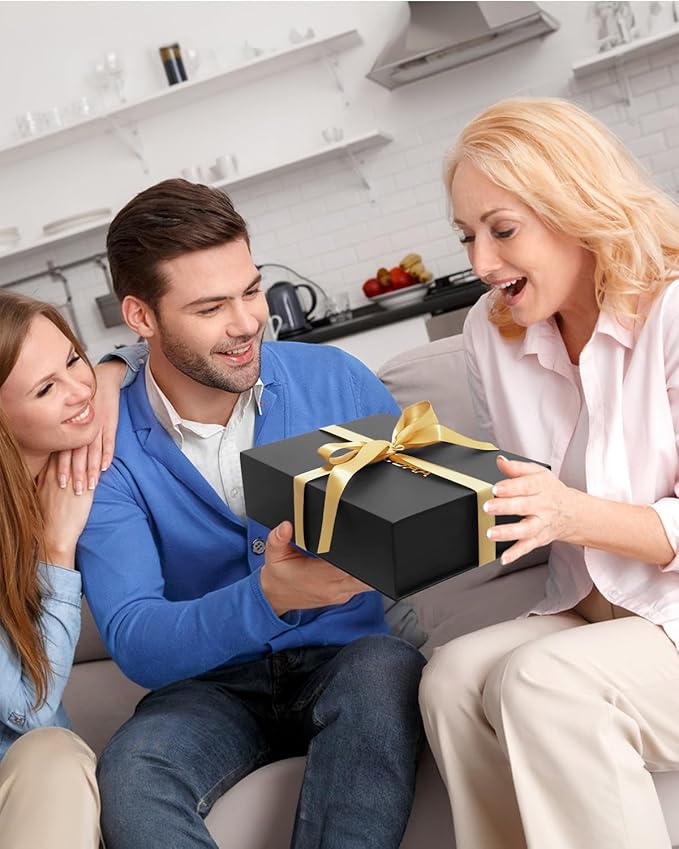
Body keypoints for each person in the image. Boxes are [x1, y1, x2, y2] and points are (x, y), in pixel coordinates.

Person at [76, 178, 426, 849]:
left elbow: (423, 517)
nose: (245, 323)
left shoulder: (335, 380)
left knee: (386, 671)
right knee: (132, 772)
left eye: (250, 290)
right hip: (206, 688)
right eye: (210, 307)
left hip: (349, 658)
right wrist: (269, 596)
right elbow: (136, 636)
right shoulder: (106, 446)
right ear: (141, 317)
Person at [418, 96, 679, 849]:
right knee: (450, 680)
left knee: (542, 684)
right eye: (467, 236)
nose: (480, 264)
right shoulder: (490, 330)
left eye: (502, 231)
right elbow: (516, 486)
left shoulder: (671, 311)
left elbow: (561, 508)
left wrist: (568, 513)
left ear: (577, 210)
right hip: (591, 606)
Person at [0, 292, 120, 849]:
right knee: (51, 751)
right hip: (28, 773)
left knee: (55, 755)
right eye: (46, 389)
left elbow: (149, 357)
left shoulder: (69, 464)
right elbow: (27, 708)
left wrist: (114, 370)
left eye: (74, 359)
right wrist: (56, 548)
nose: (79, 391)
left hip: (40, 787)